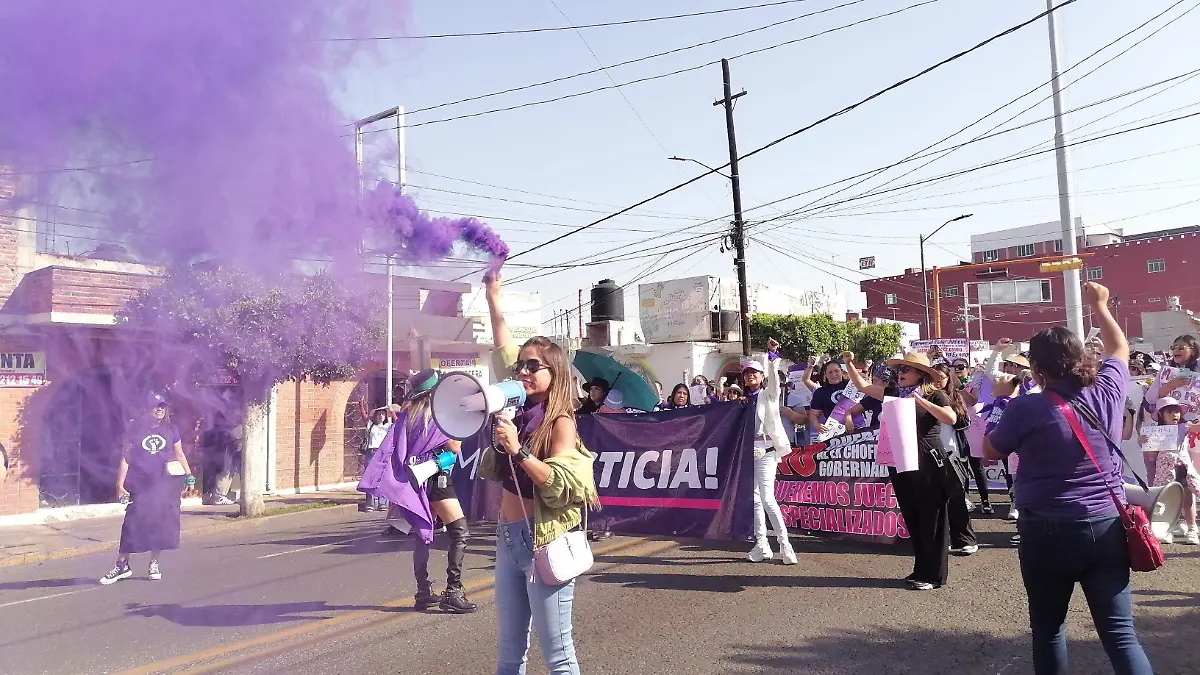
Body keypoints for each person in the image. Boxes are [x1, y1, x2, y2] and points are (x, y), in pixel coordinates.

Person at [983, 282, 1153, 675]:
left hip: (1045, 528)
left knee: (1049, 631)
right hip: (1107, 524)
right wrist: (1100, 305)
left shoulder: (1024, 407)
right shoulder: (1108, 390)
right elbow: (1120, 348)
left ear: (1037, 370)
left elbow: (992, 450)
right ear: (1080, 358)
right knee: (1120, 634)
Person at [482, 271, 598, 675]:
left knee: (557, 654)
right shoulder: (515, 405)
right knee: (510, 650)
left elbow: (563, 484)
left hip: (542, 538)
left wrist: (517, 449)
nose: (524, 371)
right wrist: (492, 294)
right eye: (521, 366)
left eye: (534, 366)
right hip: (507, 537)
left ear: (554, 373)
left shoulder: (560, 422)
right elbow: (502, 343)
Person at [844, 351, 958, 590]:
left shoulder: (934, 394)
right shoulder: (894, 393)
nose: (900, 374)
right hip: (901, 461)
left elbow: (951, 418)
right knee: (913, 517)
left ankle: (934, 575)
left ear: (920, 374)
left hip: (927, 460)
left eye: (905, 370)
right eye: (899, 370)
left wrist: (922, 402)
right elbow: (863, 387)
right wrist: (849, 364)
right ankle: (921, 569)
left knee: (931, 519)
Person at [101, 393, 193, 585]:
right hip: (141, 485)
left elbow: (180, 454)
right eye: (155, 405)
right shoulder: (135, 430)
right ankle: (122, 565)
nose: (159, 409)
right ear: (146, 409)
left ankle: (154, 563)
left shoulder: (171, 429)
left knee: (161, 524)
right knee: (131, 524)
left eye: (162, 405)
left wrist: (189, 476)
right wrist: (119, 485)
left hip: (166, 485)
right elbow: (126, 458)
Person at [743, 339, 798, 565]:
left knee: (767, 498)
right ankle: (762, 544)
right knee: (755, 500)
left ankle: (785, 545)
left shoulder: (769, 395)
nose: (750, 376)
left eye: (754, 373)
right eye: (747, 374)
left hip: (767, 451)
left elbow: (774, 380)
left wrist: (772, 355)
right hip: (749, 453)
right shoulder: (744, 401)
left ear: (761, 376)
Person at [1139, 397, 1200, 545]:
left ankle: (1192, 528)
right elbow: (1152, 455)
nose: (1175, 415)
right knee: (1165, 499)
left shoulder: (1184, 427)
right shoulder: (1155, 432)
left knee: (1187, 496)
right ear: (1161, 414)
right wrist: (1142, 441)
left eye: (1177, 411)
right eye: (1171, 411)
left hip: (1181, 466)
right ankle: (1169, 528)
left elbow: (1196, 428)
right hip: (1164, 468)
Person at [805, 358, 865, 439]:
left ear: (841, 371)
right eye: (830, 372)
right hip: (834, 433)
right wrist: (817, 426)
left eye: (836, 371)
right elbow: (813, 415)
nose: (833, 375)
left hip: (857, 429)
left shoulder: (853, 385)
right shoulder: (820, 392)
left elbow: (866, 401)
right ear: (825, 375)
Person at [360, 408, 393, 512]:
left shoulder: (388, 427)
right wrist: (361, 404)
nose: (381, 416)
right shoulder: (371, 425)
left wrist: (392, 412)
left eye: (383, 414)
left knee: (383, 478)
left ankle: (382, 503)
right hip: (372, 452)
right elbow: (364, 416)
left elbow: (398, 421)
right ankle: (370, 503)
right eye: (379, 414)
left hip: (383, 453)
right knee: (369, 478)